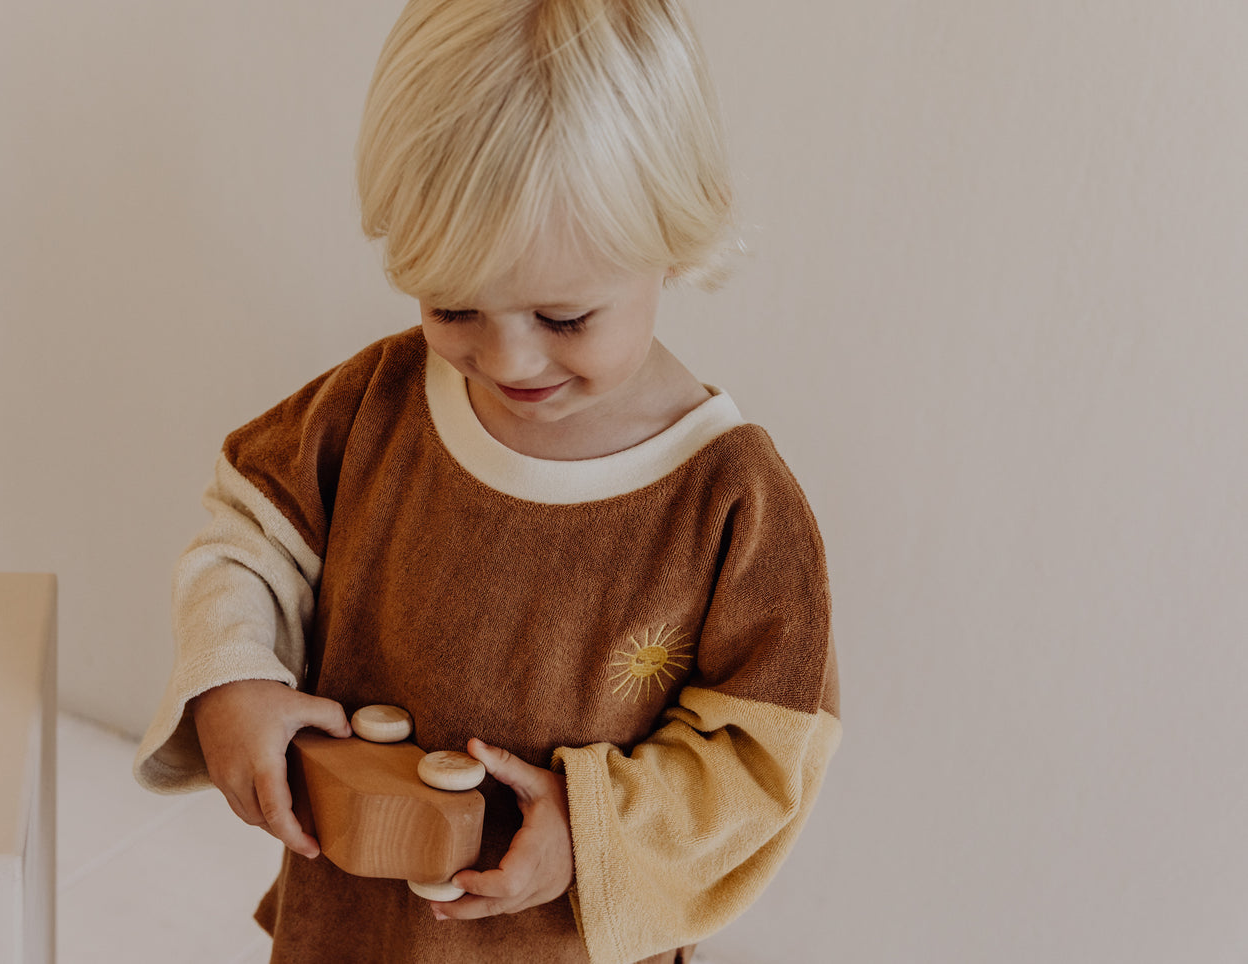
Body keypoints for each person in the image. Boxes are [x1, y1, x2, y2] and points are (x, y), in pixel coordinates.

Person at [133, 1, 840, 961]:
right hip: (354, 927)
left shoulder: (732, 505)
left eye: (564, 317)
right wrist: (234, 675)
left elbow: (763, 757)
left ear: (672, 239)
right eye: (453, 305)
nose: (508, 359)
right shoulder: (373, 405)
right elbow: (244, 541)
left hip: (549, 942)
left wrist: (600, 830)